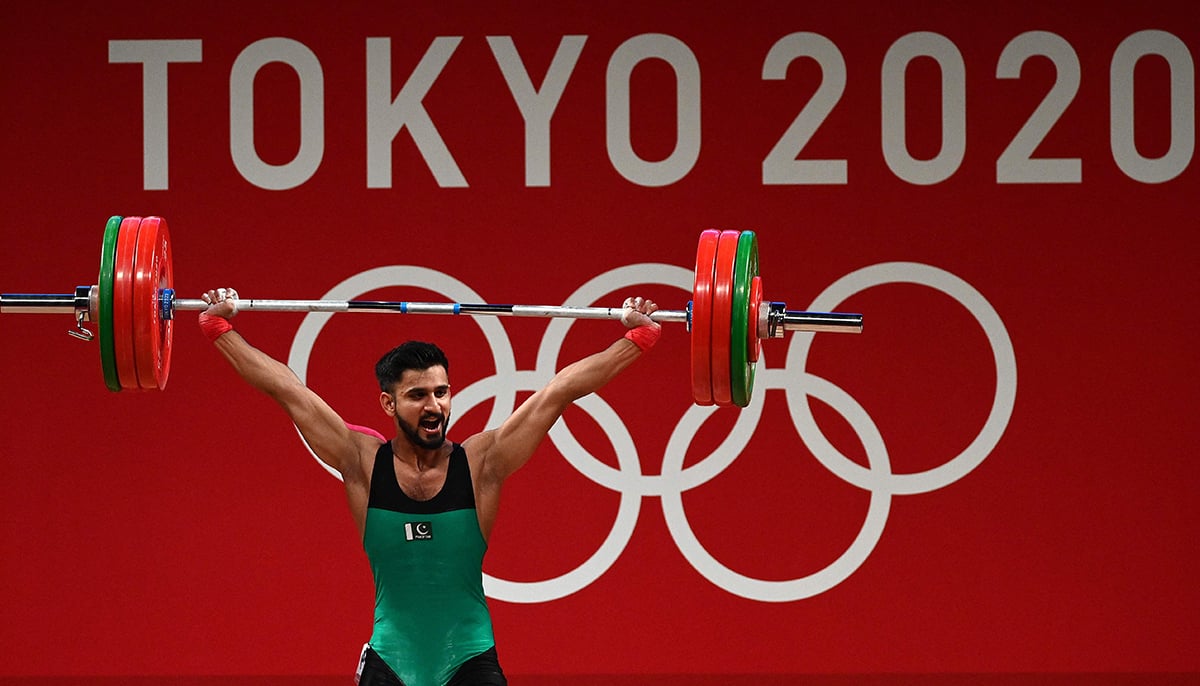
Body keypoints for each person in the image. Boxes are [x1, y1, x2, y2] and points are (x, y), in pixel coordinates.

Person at [197, 287, 662, 686]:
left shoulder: (482, 464)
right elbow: (287, 390)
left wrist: (638, 338)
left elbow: (560, 391)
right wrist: (220, 329)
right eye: (418, 395)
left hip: (471, 660)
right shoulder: (361, 461)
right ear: (388, 402)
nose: (434, 405)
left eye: (441, 392)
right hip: (390, 662)